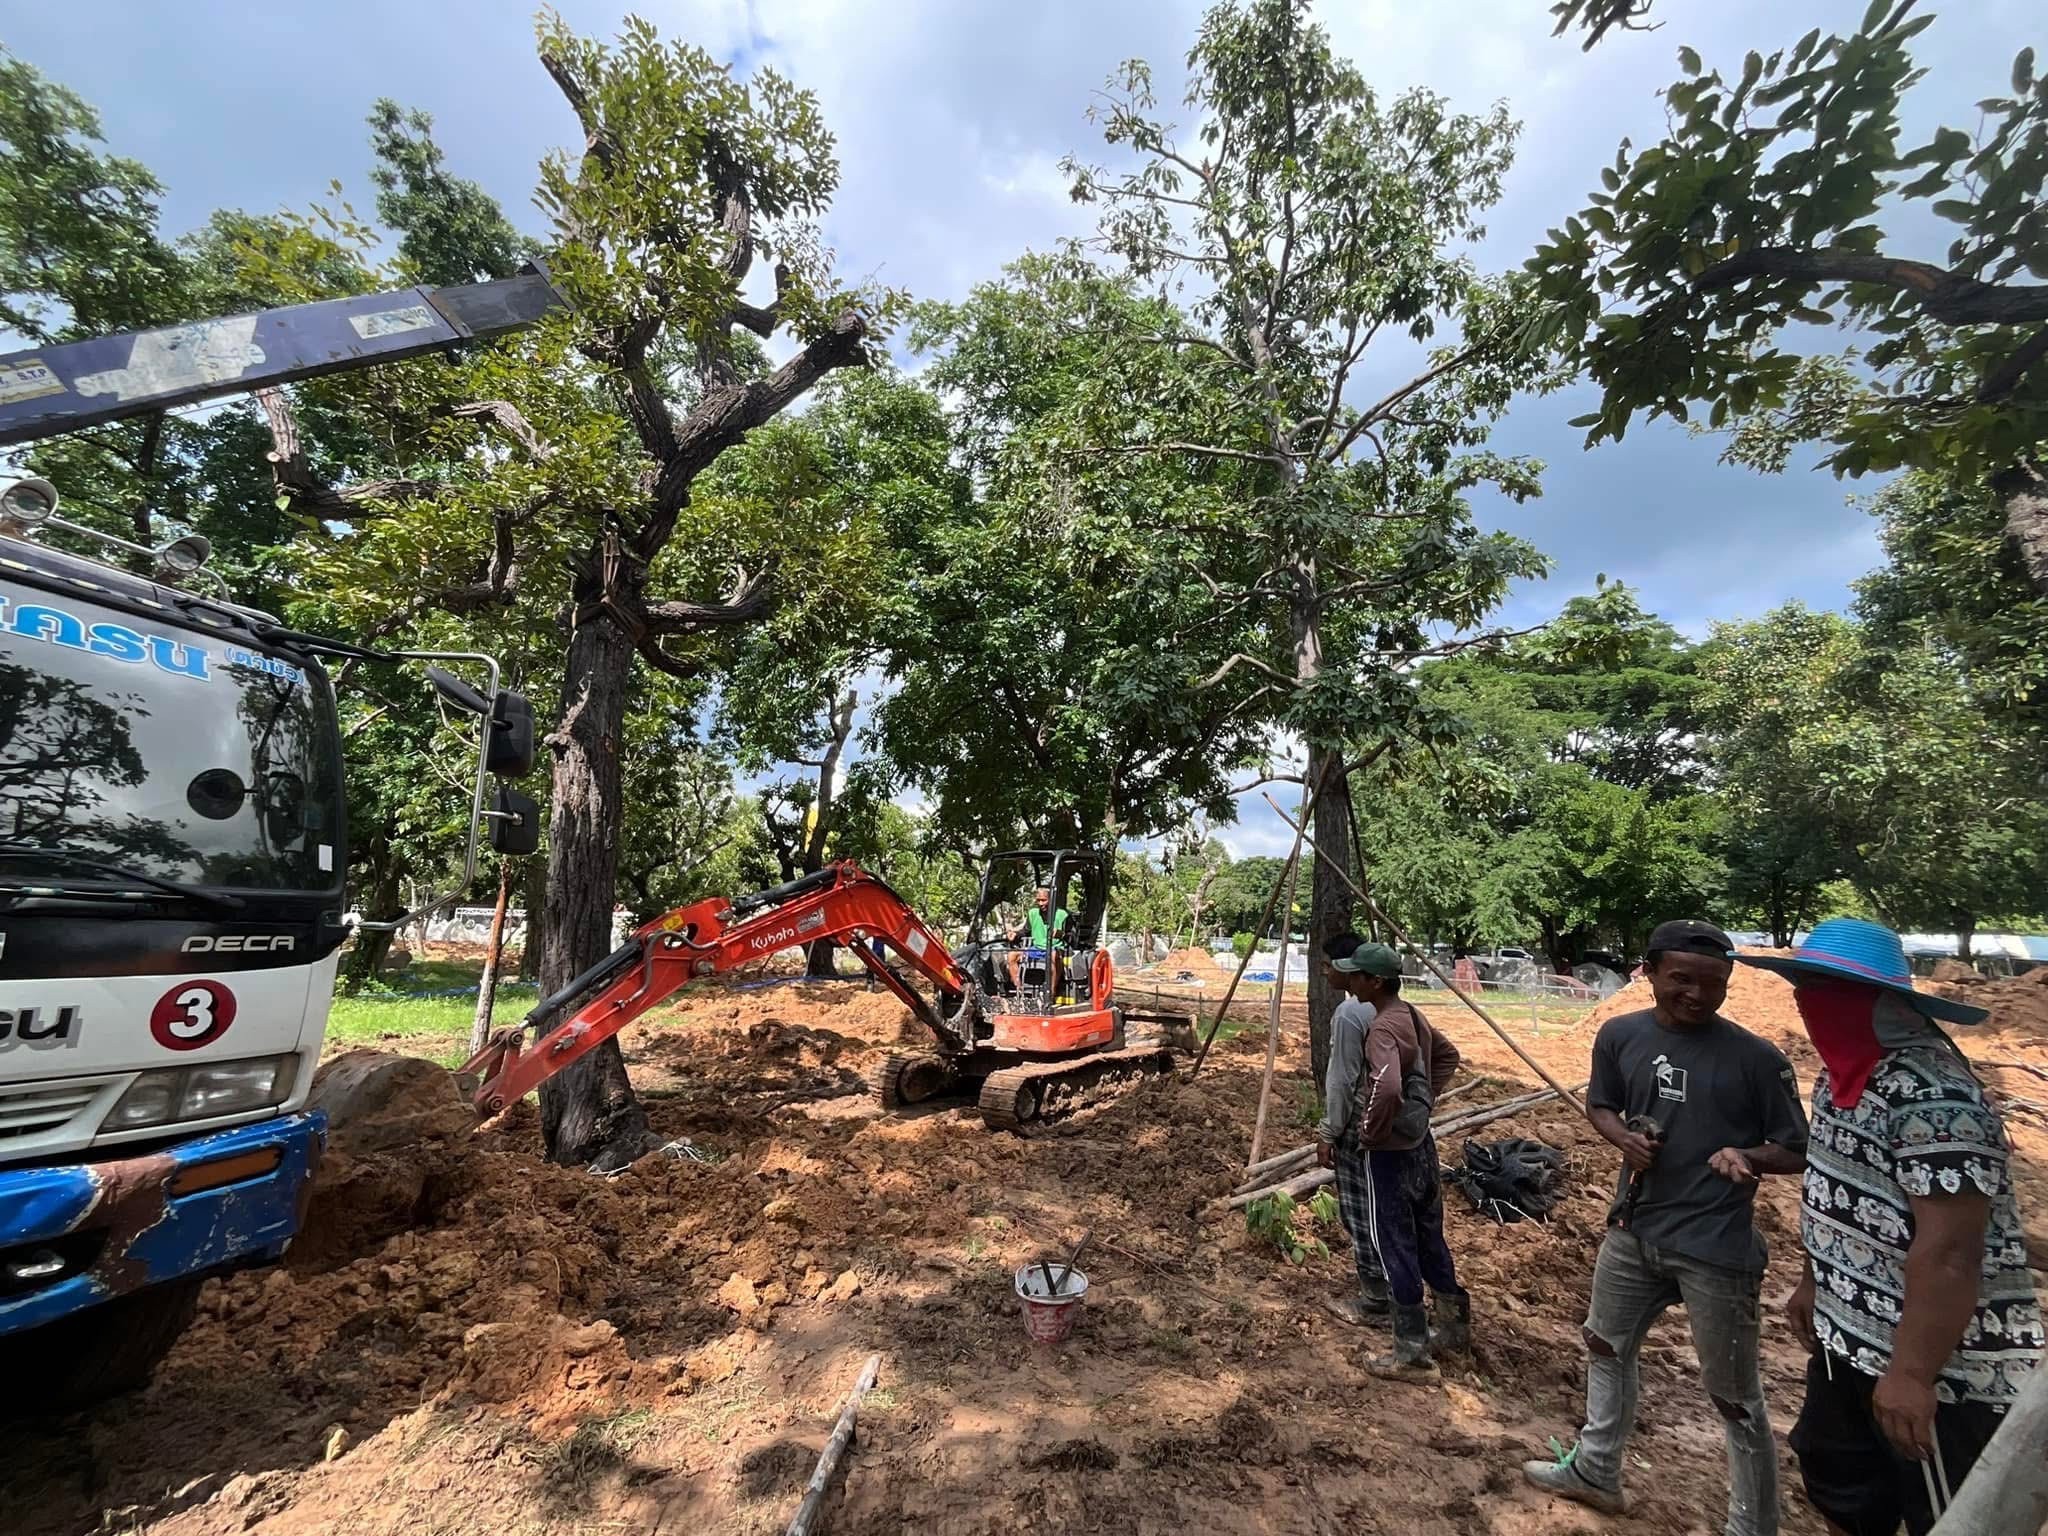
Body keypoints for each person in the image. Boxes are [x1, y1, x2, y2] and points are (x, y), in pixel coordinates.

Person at [1739, 918, 2043, 1536]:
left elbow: (1951, 1252)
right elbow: (1830, 1187)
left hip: (1943, 1369)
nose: (1809, 1003)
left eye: (1830, 990)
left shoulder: (1937, 1099)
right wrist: (1813, 1281)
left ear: (1885, 1002)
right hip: (1847, 1335)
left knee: (1944, 1515)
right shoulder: (1838, 1080)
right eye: (1804, 985)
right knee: (1842, 1488)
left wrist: (1911, 1372)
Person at [1524, 918, 1809, 1536]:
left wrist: (1750, 1157)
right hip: (1633, 1229)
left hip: (1715, 1248)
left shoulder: (1758, 1060)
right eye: (1682, 980)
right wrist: (1622, 1138)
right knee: (1604, 1347)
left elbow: (1795, 1147)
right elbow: (1600, 1104)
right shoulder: (1620, 1035)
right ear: (1648, 973)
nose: (1698, 996)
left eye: (1715, 985)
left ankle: (1752, 1524)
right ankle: (1597, 1471)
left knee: (1735, 1397)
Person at [1316, 937, 1466, 1377]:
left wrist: (1373, 1130)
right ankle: (1454, 1330)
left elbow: (1387, 1087)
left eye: (1357, 973)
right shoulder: (1410, 1015)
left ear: (1373, 981)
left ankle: (1412, 1352)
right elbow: (1446, 1056)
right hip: (1420, 1145)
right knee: (1428, 1234)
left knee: (1393, 1242)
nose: (1349, 978)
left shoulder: (1377, 1025)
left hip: (1389, 1153)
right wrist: (1421, 1110)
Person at [1314, 930, 1390, 1325]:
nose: (1325, 972)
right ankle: (1399, 1289)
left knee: (1362, 1212)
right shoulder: (1397, 1009)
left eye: (1330, 966)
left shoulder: (1350, 1014)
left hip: (1361, 1131)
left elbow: (1342, 1080)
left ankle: (1377, 1299)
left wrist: (1329, 1132)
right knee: (1391, 1212)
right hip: (1393, 1128)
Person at [1005, 885, 1068, 994]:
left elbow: (1071, 936)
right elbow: (1026, 931)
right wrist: (1015, 934)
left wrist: (1060, 934)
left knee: (1053, 955)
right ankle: (1019, 990)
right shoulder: (1033, 913)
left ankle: (1051, 992)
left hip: (1055, 948)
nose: (1040, 903)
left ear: (1051, 899)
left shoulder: (1063, 915)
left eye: (1043, 900)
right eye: (1038, 900)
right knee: (1012, 955)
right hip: (1036, 949)